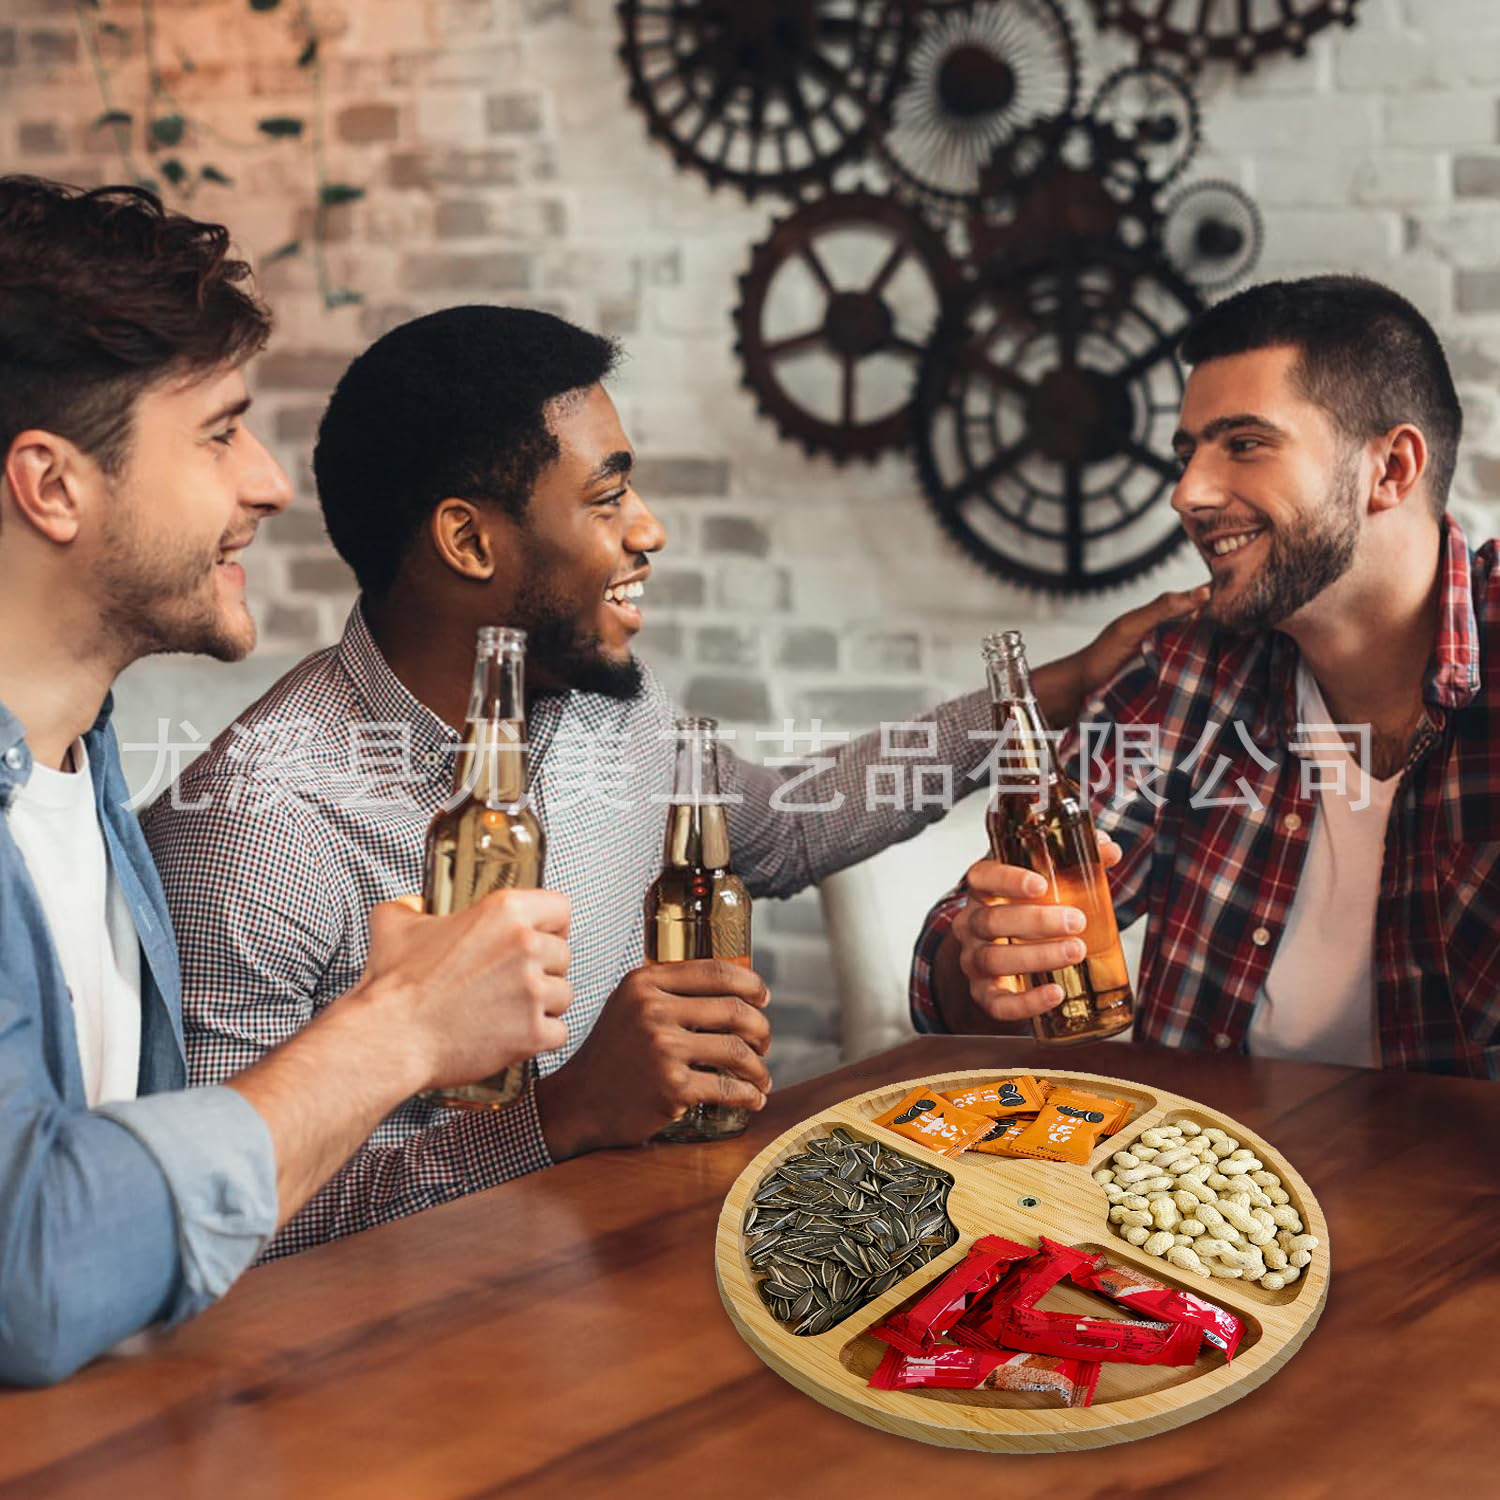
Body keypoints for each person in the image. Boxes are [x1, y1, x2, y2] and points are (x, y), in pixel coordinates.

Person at [143, 302, 1204, 1259]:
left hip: (627, 1275)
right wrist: (559, 1117)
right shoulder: (254, 827)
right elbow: (220, 1226)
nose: (648, 529)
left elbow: (785, 827)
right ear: (468, 539)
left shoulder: (607, 705)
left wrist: (1053, 691)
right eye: (607, 497)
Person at [0, 178, 576, 1387]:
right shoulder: (237, 807)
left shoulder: (85, 778)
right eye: (219, 433)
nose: (266, 482)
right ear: (52, 486)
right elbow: (34, 1269)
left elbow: (164, 1255)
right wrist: (400, 1029)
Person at [912, 274, 1498, 1079]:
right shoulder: (1187, 667)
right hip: (1202, 1157)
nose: (1187, 494)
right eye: (1187, 454)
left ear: (1391, 468)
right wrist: (984, 966)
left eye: (1245, 444)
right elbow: (965, 964)